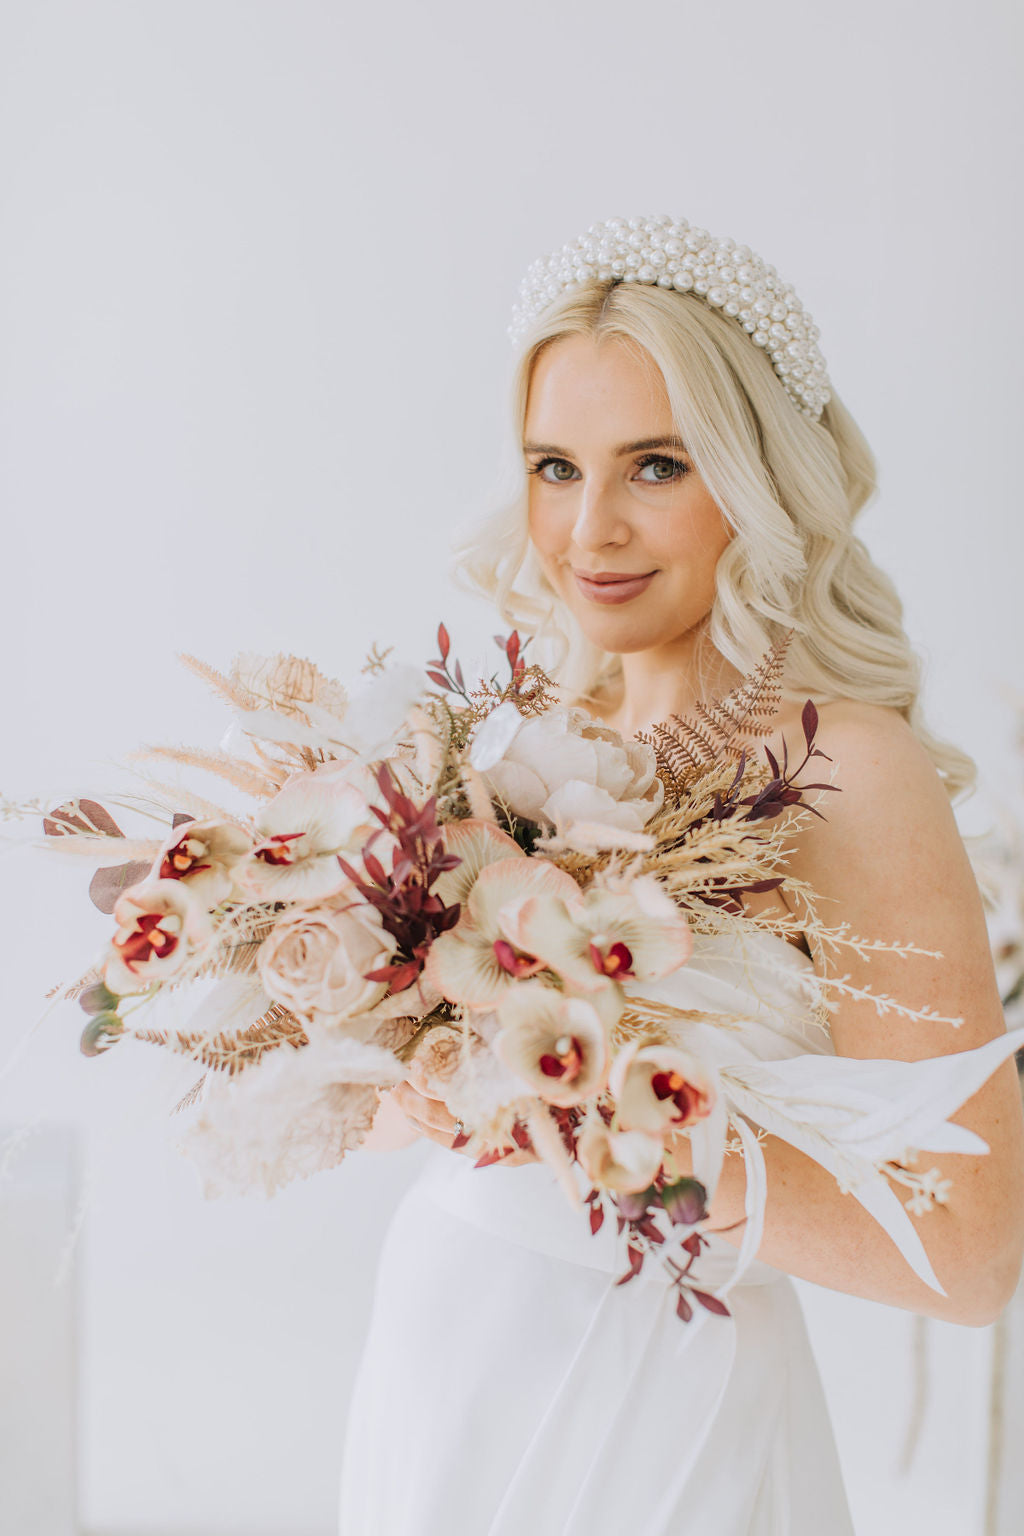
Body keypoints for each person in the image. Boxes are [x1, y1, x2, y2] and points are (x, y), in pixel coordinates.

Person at [337, 216, 1024, 1534]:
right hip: (447, 1362)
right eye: (554, 466)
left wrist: (631, 1135)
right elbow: (403, 1118)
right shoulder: (510, 742)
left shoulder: (842, 768)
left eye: (655, 464)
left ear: (756, 480)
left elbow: (972, 1252)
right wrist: (415, 1066)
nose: (588, 527)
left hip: (658, 1405)